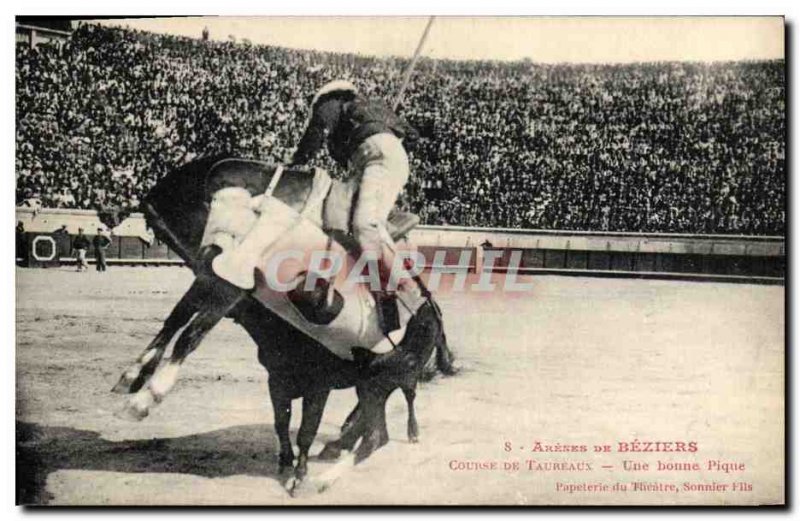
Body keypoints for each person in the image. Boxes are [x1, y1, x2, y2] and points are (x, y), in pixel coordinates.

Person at [214, 80, 418, 337]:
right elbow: (412, 135)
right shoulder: (370, 108)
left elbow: (316, 133)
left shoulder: (331, 104)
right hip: (372, 159)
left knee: (365, 225)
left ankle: (400, 288)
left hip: (376, 157)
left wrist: (296, 160)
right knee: (335, 219)